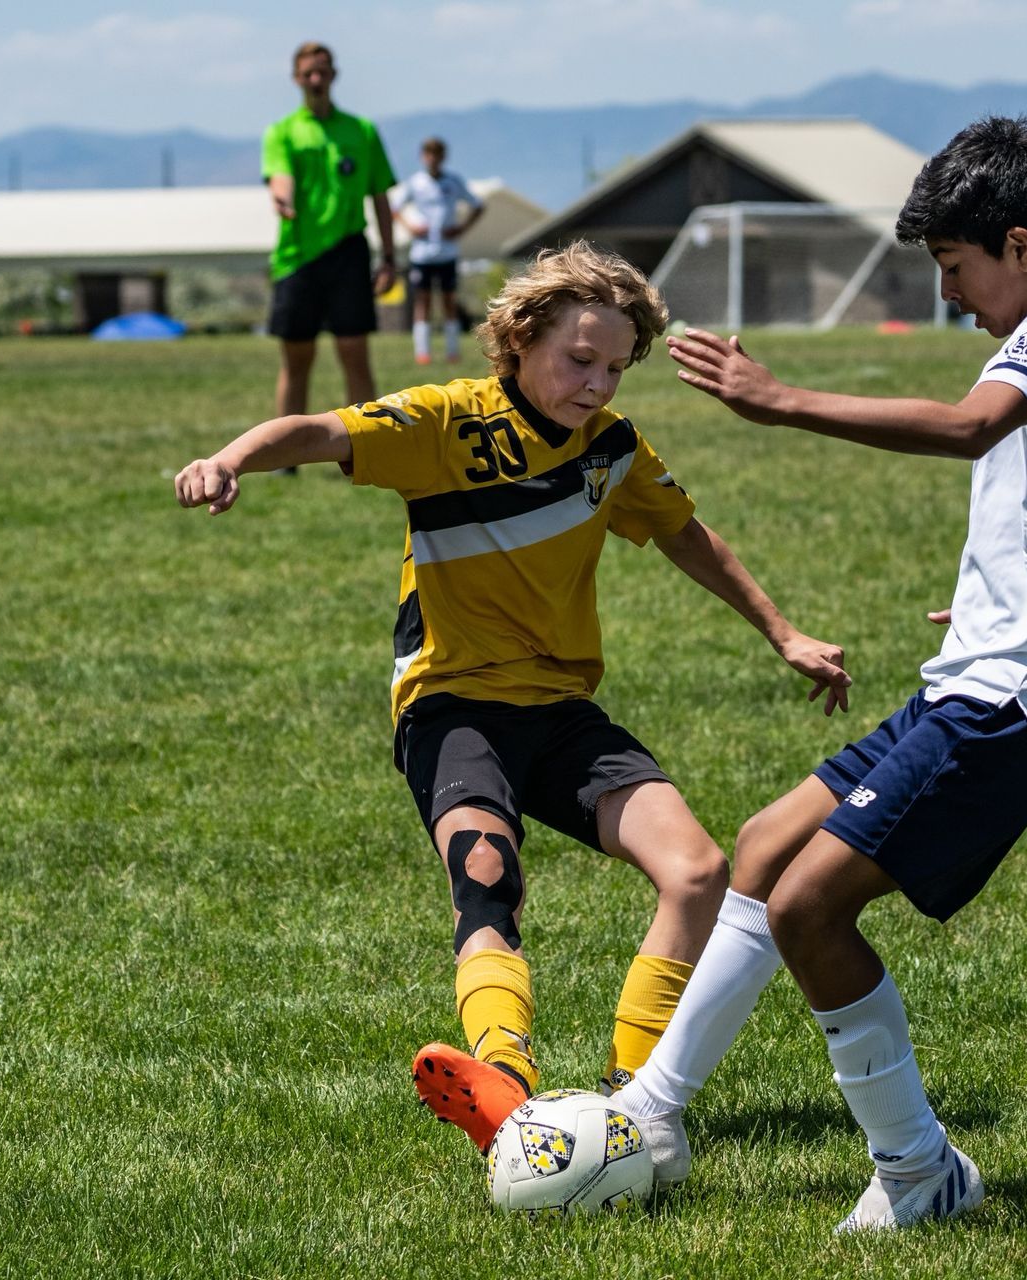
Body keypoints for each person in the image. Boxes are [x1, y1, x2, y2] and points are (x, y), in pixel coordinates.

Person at [172, 242, 852, 1156]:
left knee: (696, 872)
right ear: (520, 339)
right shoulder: (447, 421)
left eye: (615, 367)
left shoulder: (612, 449)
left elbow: (689, 534)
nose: (598, 383)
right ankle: (505, 1084)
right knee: (486, 880)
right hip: (450, 708)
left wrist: (784, 632)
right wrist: (229, 459)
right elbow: (319, 430)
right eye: (580, 360)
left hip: (560, 711)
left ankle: (633, 1098)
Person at [613, 115, 1027, 1233]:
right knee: (766, 846)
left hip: (1015, 698)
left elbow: (972, 429)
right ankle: (655, 1109)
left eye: (956, 269)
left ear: (1018, 245)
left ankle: (919, 1169)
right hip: (986, 664)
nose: (954, 295)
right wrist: (1022, 576)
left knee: (812, 912)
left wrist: (779, 401)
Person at [262, 42, 399, 434]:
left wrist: (389, 258)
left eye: (322, 72)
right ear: (296, 79)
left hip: (348, 252)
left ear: (334, 75)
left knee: (354, 353)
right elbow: (280, 178)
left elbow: (380, 196)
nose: (316, 80)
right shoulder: (283, 132)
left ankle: (370, 444)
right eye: (308, 73)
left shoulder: (361, 130)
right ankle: (284, 453)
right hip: (298, 257)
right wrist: (283, 200)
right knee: (297, 358)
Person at [393, 137, 485, 365]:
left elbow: (478, 205)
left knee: (448, 300)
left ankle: (452, 351)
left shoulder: (453, 181)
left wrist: (462, 228)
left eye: (437, 154)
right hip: (422, 254)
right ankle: (422, 352)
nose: (432, 159)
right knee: (422, 300)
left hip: (447, 253)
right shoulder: (416, 182)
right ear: (423, 157)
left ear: (443, 157)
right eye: (428, 154)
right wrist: (410, 227)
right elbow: (394, 207)